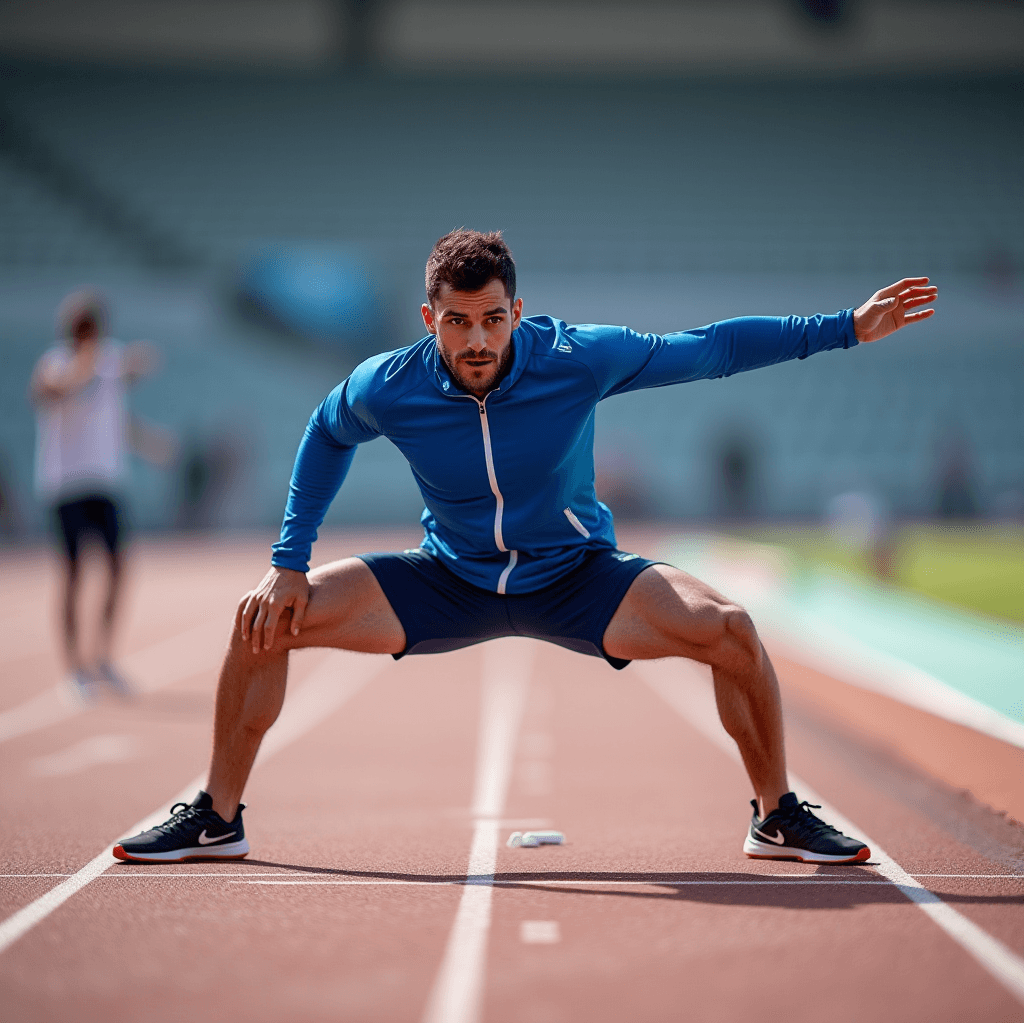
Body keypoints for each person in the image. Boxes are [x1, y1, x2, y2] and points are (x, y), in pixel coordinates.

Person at [114, 230, 937, 865]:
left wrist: (846, 329)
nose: (478, 340)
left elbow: (712, 348)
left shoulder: (577, 359)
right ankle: (218, 818)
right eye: (460, 322)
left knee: (730, 629)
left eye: (494, 319)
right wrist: (289, 561)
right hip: (449, 577)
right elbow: (326, 431)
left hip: (576, 576)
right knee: (262, 618)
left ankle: (775, 816)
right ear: (429, 317)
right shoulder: (387, 383)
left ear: (516, 310)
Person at [30, 290, 162, 696]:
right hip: (66, 484)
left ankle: (103, 657)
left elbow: (113, 418)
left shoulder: (109, 363)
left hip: (105, 482)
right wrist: (95, 365)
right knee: (72, 575)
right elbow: (48, 392)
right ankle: (76, 668)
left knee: (118, 568)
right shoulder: (56, 364)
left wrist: (148, 443)